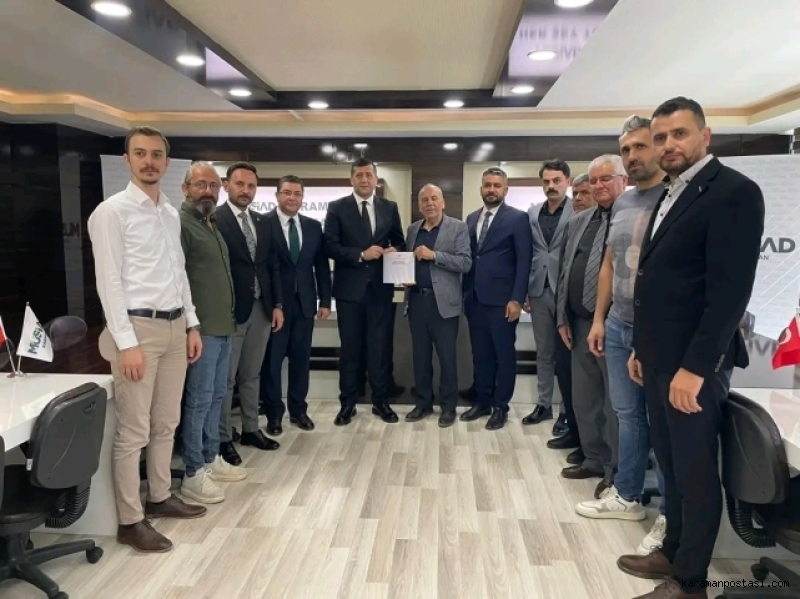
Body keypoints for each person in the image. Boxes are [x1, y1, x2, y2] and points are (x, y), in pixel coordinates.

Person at [616, 97, 764, 599]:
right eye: (660, 138)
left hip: (692, 369)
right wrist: (642, 349)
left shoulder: (733, 193)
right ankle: (673, 549)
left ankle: (690, 582)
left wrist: (696, 369)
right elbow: (659, 282)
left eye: (679, 134)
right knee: (671, 465)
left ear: (705, 135)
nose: (668, 145)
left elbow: (729, 295)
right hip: (659, 359)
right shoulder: (670, 193)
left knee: (696, 473)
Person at [89, 126, 206, 553]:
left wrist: (192, 324)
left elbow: (179, 274)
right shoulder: (111, 213)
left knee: (166, 422)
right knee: (133, 430)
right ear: (127, 159)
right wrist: (126, 343)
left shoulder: (169, 213)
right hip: (138, 330)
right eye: (140, 153)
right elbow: (108, 283)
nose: (149, 161)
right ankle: (130, 519)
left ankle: (159, 496)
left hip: (175, 328)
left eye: (156, 155)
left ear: (167, 163)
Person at [578, 117, 667, 554]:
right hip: (618, 323)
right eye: (626, 149)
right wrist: (600, 318)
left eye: (640, 146)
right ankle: (628, 495)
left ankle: (671, 513)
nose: (633, 156)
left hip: (659, 329)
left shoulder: (676, 198)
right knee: (628, 414)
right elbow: (610, 265)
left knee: (663, 422)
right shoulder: (625, 203)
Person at [556, 154, 626, 498]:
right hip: (579, 322)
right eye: (594, 180)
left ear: (624, 180)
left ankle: (617, 471)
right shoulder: (579, 221)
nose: (598, 186)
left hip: (616, 325)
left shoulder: (632, 218)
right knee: (585, 399)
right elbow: (565, 271)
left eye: (606, 179)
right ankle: (594, 458)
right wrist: (561, 317)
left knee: (616, 404)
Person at [178, 161, 247, 505]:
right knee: (199, 400)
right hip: (201, 330)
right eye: (200, 185)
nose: (207, 191)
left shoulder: (210, 223)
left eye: (213, 186)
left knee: (217, 396)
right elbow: (176, 280)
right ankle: (192, 472)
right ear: (185, 189)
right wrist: (190, 325)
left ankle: (209, 457)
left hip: (223, 326)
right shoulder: (181, 224)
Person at [324, 158, 405, 425]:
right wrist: (361, 254)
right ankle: (347, 404)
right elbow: (330, 246)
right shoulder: (337, 207)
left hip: (380, 291)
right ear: (351, 179)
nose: (364, 179)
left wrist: (394, 250)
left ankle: (380, 402)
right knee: (350, 351)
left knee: (380, 350)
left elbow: (400, 241)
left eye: (369, 175)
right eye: (359, 175)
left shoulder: (389, 207)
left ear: (375, 179)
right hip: (349, 292)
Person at [216, 162, 283, 466]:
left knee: (252, 373)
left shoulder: (263, 221)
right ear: (226, 185)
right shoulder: (215, 219)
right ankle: (222, 438)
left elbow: (271, 266)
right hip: (229, 311)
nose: (246, 190)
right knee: (226, 379)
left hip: (262, 309)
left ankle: (251, 429)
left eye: (251, 186)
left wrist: (277, 305)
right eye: (240, 184)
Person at [461, 167, 532, 430]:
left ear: (505, 189)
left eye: (497, 185)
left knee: (504, 355)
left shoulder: (518, 218)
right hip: (474, 299)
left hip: (503, 301)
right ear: (481, 188)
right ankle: (482, 401)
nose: (492, 189)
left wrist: (517, 298)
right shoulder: (471, 218)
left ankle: (500, 406)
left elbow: (524, 261)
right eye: (487, 185)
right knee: (480, 354)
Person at [260, 175, 332, 434]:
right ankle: (273, 415)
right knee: (272, 363)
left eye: (297, 193)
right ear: (277, 195)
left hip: (305, 305)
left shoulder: (313, 226)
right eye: (287, 192)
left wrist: (325, 300)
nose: (292, 198)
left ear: (303, 197)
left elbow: (321, 265)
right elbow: (264, 267)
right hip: (274, 308)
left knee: (301, 361)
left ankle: (298, 411)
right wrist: (274, 304)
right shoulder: (263, 223)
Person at [403, 184, 471, 427]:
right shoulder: (413, 229)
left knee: (446, 358)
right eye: (425, 200)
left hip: (444, 304)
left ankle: (448, 407)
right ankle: (423, 404)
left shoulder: (458, 227)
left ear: (443, 203)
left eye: (434, 198)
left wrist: (434, 255)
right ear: (419, 205)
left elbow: (465, 262)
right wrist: (404, 272)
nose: (429, 203)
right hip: (416, 301)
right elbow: (409, 260)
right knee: (420, 358)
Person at [522, 159, 574, 433]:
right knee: (544, 352)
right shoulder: (532, 213)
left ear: (568, 181)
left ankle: (567, 410)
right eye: (546, 181)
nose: (551, 186)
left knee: (567, 355)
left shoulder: (579, 210)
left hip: (566, 292)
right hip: (538, 290)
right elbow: (528, 253)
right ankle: (543, 405)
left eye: (556, 180)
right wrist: (524, 291)